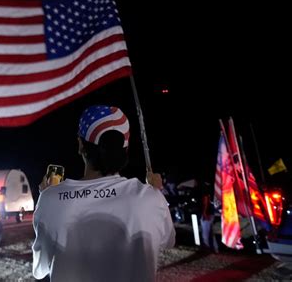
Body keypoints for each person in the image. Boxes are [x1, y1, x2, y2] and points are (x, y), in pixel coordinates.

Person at [32, 105, 175, 282]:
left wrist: (46, 201)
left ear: (80, 145)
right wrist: (156, 192)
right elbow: (168, 241)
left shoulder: (50, 199)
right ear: (125, 149)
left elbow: (40, 269)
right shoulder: (150, 198)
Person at [200, 181, 219, 253]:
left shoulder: (206, 194)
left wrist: (204, 213)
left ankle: (206, 247)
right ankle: (215, 248)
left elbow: (205, 203)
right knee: (211, 233)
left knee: (205, 232)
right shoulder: (213, 193)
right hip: (212, 214)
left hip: (207, 214)